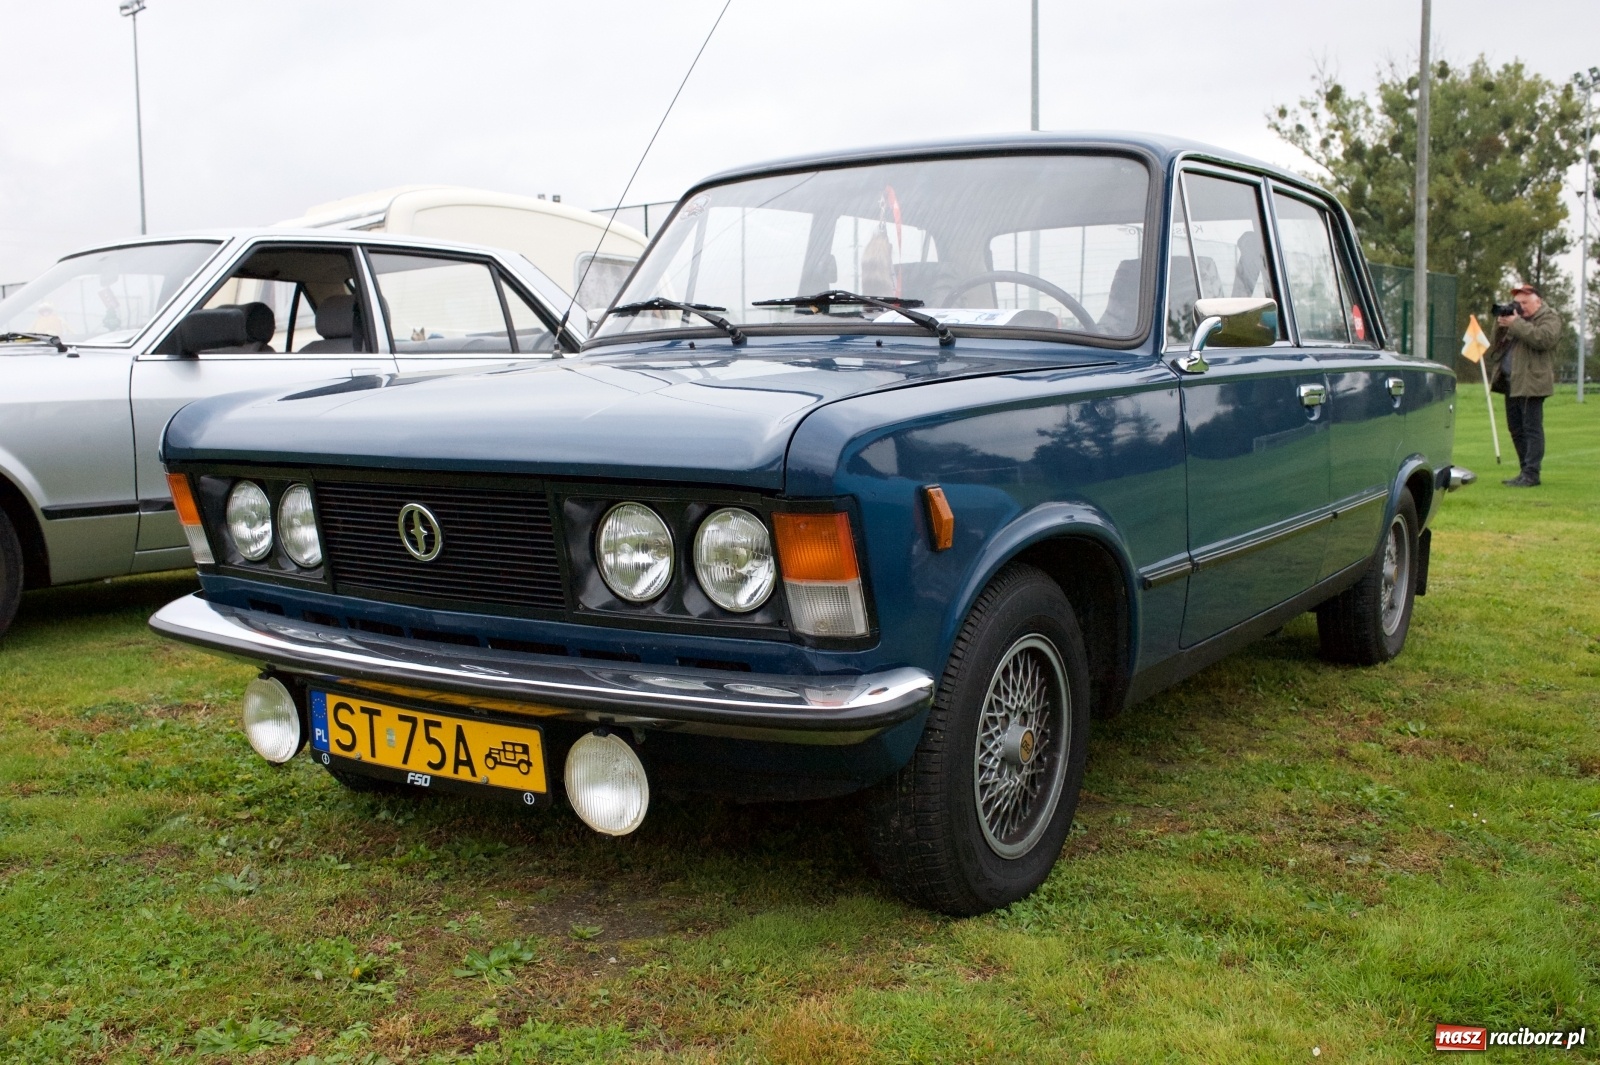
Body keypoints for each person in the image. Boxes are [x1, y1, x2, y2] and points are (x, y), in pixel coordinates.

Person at [1490, 282, 1560, 487]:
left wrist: (1516, 323)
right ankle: (1524, 471)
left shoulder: (1550, 318)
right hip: (1511, 381)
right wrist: (1501, 323)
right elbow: (1496, 345)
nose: (1520, 306)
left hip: (1533, 381)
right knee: (1516, 428)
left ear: (1537, 302)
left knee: (1531, 428)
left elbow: (1543, 339)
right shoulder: (1516, 319)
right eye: (1517, 302)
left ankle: (1532, 474)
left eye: (1524, 302)